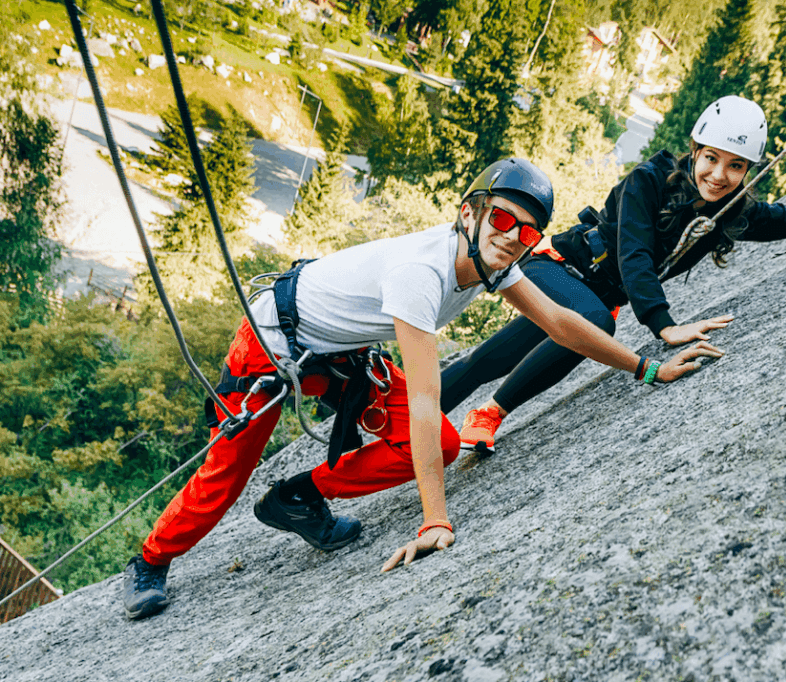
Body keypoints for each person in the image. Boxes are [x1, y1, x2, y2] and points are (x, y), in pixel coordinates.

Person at [122, 158, 724, 620]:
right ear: (471, 213)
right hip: (271, 342)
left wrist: (646, 369)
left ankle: (297, 497)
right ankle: (149, 563)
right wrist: (434, 521)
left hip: (338, 351)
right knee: (225, 476)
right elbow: (426, 398)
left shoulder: (498, 262)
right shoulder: (424, 274)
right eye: (503, 219)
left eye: (529, 228)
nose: (514, 235)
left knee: (439, 440)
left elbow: (563, 324)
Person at [444, 96, 786, 453]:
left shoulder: (725, 212)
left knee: (487, 361)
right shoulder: (646, 182)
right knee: (596, 322)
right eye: (711, 158)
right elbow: (633, 255)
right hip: (559, 267)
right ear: (694, 151)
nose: (719, 174)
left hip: (593, 296)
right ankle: (489, 410)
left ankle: (450, 412)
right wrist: (662, 324)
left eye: (735, 167)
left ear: (747, 171)